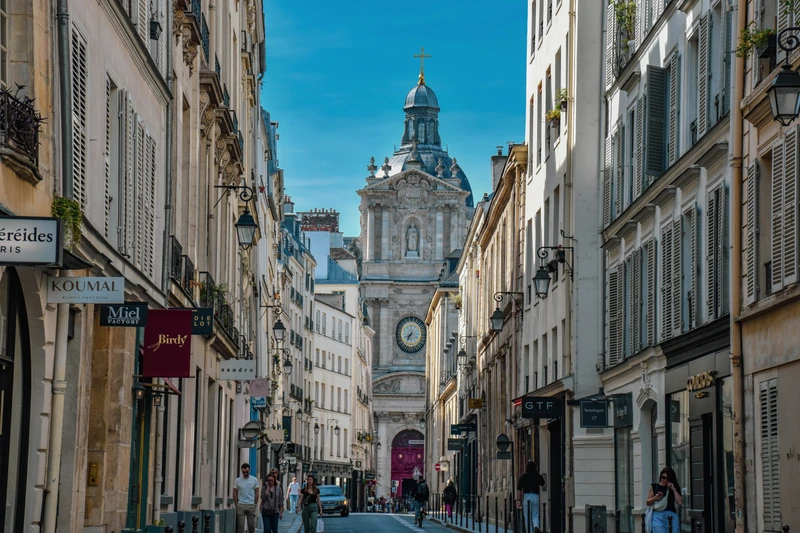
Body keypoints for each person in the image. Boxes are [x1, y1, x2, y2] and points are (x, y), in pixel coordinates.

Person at [646, 467, 683, 533]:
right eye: (663, 477)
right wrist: (655, 498)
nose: (665, 480)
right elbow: (648, 502)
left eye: (668, 479)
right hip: (658, 516)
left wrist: (673, 489)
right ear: (661, 477)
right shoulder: (654, 486)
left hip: (671, 516)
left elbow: (679, 502)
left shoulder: (673, 487)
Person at [516, 461, 545, 533]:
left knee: (527, 516)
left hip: (527, 496)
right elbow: (542, 483)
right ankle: (536, 526)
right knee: (535, 515)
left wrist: (518, 500)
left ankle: (530, 531)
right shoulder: (537, 476)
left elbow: (519, 489)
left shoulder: (523, 476)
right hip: (535, 496)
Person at [233, 463, 260, 533]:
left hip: (251, 504)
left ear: (249, 470)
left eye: (246, 472)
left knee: (251, 525)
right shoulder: (238, 480)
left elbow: (257, 492)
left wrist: (255, 503)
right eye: (243, 472)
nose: (245, 473)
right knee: (240, 525)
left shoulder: (254, 480)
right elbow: (235, 492)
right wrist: (237, 504)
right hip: (241, 504)